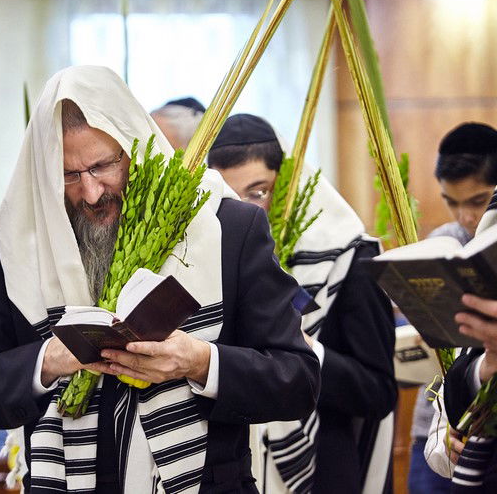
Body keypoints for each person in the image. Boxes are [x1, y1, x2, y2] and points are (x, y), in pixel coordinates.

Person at [0, 65, 320, 493]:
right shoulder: (17, 247)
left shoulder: (226, 229)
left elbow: (298, 379)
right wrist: (47, 361)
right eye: (69, 175)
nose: (91, 193)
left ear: (136, 149)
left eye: (102, 166)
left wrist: (200, 361)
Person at [207, 113, 397, 494]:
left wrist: (307, 350)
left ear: (289, 183)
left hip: (326, 464)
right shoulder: (215, 260)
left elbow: (378, 391)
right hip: (241, 464)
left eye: (258, 191)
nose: (246, 209)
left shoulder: (350, 257)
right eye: (229, 195)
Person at [408, 122, 497, 493]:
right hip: (437, 420)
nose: (465, 217)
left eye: (477, 201)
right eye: (451, 202)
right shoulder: (442, 244)